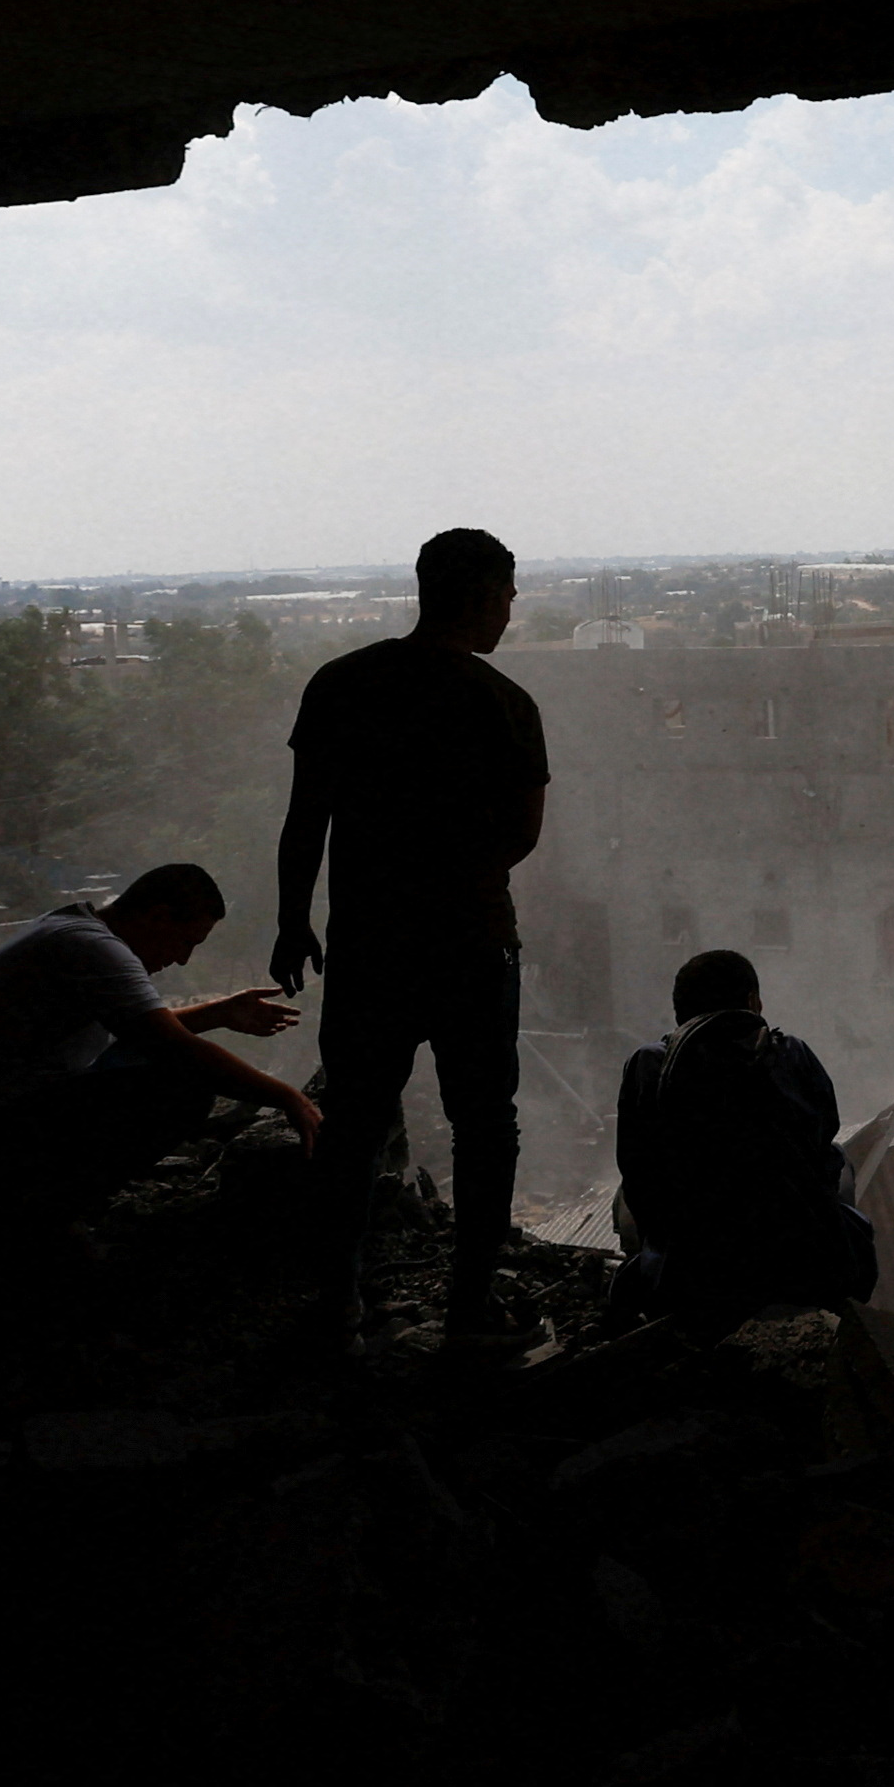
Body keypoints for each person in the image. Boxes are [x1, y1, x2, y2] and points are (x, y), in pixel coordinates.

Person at [277, 528, 551, 1354]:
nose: (510, 611)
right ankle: (469, 1308)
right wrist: (454, 873)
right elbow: (522, 835)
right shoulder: (504, 703)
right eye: (506, 596)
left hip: (369, 945)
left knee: (354, 1122)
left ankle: (337, 1308)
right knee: (484, 1125)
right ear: (480, 595)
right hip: (472, 943)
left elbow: (305, 823)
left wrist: (295, 920)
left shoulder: (342, 685)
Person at [0, 862, 315, 1235]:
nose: (183, 960)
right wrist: (286, 1096)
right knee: (182, 1088)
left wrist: (219, 1013)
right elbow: (169, 1046)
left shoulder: (71, 929)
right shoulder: (93, 949)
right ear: (158, 917)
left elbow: (131, 1034)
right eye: (188, 942)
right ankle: (28, 1219)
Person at [611, 947, 874, 1324]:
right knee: (838, 1158)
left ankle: (654, 1291)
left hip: (692, 1279)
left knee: (626, 1192)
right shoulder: (793, 1052)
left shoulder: (649, 1063)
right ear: (753, 1001)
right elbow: (822, 1137)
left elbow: (637, 1172)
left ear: (679, 1011)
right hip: (803, 1268)